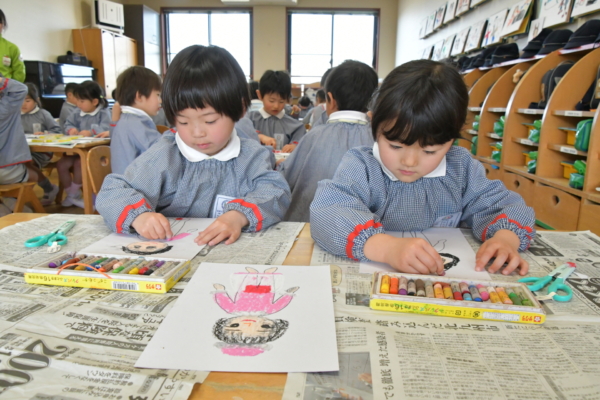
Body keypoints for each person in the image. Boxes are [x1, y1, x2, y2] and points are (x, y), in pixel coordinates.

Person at [310, 60, 535, 276]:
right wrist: (387, 248)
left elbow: (504, 206)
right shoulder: (362, 166)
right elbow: (328, 212)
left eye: (429, 151)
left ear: (452, 139)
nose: (409, 161)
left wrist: (505, 239)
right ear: (374, 123)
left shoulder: (460, 168)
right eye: (395, 146)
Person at [96, 45, 291, 247]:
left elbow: (276, 191)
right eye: (183, 122)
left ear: (240, 109)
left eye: (210, 121)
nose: (197, 133)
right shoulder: (165, 154)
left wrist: (239, 216)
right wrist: (140, 217)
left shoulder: (251, 155)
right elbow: (113, 191)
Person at [278, 60, 378, 222]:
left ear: (330, 99)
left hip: (310, 225)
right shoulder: (379, 139)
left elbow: (285, 179)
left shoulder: (315, 135)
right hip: (363, 229)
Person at [58, 80, 111, 208]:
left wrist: (91, 132)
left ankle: (72, 194)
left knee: (79, 163)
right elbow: (68, 124)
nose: (78, 104)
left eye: (82, 101)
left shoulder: (104, 113)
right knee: (61, 164)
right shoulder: (77, 112)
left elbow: (107, 128)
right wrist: (71, 130)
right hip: (78, 150)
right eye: (78, 100)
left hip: (96, 153)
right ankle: (72, 194)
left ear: (94, 102)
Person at [110, 66, 162, 175]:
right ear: (139, 96)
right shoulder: (135, 123)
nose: (160, 100)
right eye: (157, 95)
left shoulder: (127, 119)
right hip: (134, 183)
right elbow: (161, 151)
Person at [20, 83, 61, 205]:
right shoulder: (14, 115)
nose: (23, 104)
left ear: (36, 100)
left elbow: (57, 131)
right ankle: (18, 197)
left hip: (42, 152)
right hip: (22, 151)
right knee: (17, 163)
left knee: (25, 162)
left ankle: (47, 188)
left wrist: (45, 134)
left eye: (27, 100)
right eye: (20, 100)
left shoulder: (43, 114)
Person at [246, 70, 306, 152]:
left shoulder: (294, 125)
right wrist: (259, 136)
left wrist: (295, 146)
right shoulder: (249, 119)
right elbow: (241, 134)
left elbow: (300, 138)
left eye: (281, 101)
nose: (276, 106)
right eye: (271, 101)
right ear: (260, 95)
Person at [0, 76, 38, 189]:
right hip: (4, 168)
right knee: (33, 175)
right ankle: (12, 201)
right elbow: (21, 89)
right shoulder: (5, 108)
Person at [0, 10, 24, 82]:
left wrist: (10, 87)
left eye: (0, 22)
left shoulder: (12, 48)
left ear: (3, 25)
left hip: (5, 87)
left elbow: (19, 73)